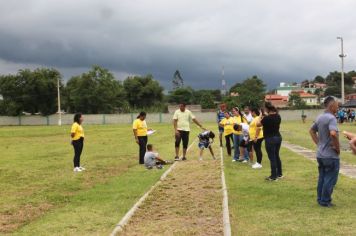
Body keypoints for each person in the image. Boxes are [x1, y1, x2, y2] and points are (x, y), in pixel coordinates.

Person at [309, 96, 340, 207]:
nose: (338, 106)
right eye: (337, 104)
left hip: (320, 155)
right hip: (330, 155)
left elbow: (311, 130)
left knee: (322, 177)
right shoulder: (331, 118)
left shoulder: (320, 117)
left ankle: (320, 198)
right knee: (330, 178)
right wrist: (337, 148)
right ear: (332, 106)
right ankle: (325, 201)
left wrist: (319, 144)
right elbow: (333, 133)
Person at [258, 102, 282, 181]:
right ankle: (279, 174)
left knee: (272, 158)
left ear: (267, 109)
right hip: (278, 137)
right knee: (276, 155)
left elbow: (258, 124)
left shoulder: (266, 118)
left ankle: (273, 176)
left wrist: (260, 116)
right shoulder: (278, 116)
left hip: (270, 139)